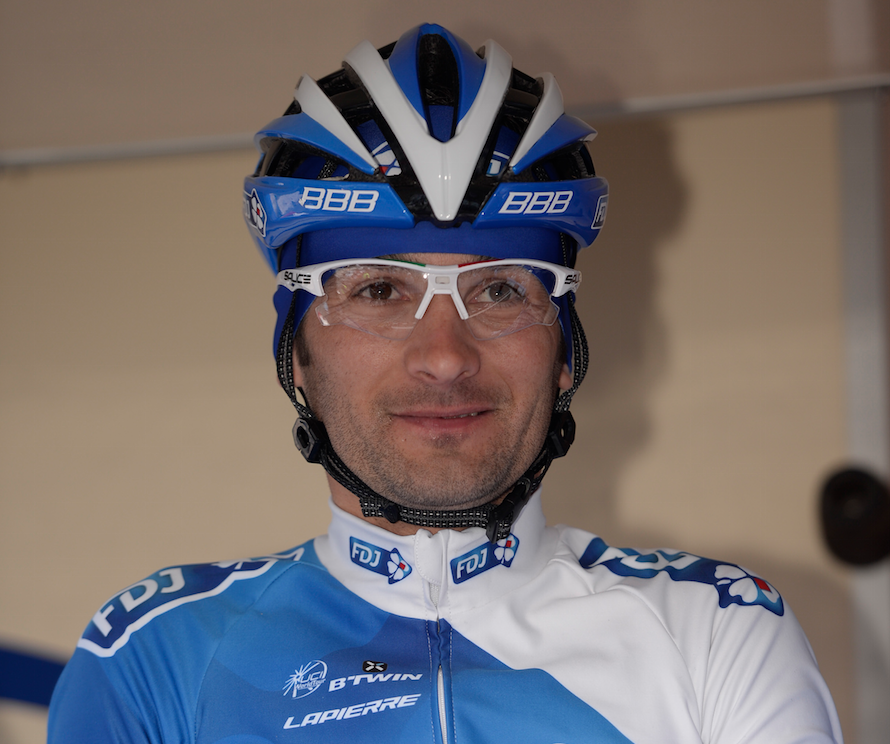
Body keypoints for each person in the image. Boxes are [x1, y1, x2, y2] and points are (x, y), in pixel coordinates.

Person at [48, 23, 843, 743]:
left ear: (564, 350)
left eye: (499, 289)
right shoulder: (156, 661)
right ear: (295, 353)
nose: (444, 356)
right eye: (378, 291)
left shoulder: (716, 635)